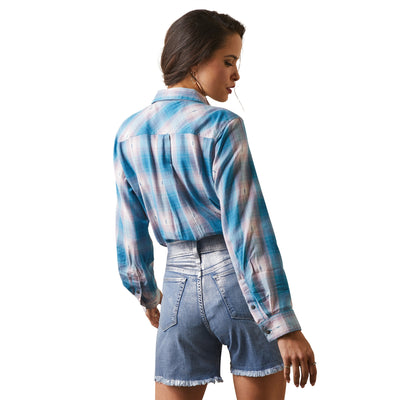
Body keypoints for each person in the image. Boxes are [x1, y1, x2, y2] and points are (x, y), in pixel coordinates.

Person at [113, 9, 317, 400]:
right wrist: (283, 324)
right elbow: (247, 229)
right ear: (194, 59)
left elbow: (129, 229)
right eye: (228, 61)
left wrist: (146, 293)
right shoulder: (222, 126)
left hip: (176, 289)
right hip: (237, 284)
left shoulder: (129, 133)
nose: (236, 74)